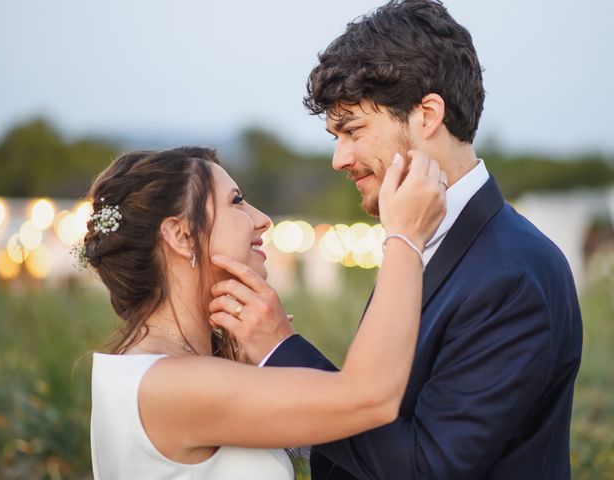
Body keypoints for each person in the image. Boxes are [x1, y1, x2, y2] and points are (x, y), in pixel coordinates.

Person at [214, 1, 583, 479]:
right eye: (334, 138)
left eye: (352, 130)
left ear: (427, 114)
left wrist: (280, 349)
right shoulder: (417, 239)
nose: (339, 159)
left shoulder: (512, 275)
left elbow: (424, 466)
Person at [85, 146, 447, 479]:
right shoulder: (172, 383)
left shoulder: (154, 371)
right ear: (180, 236)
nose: (262, 220)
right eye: (237, 202)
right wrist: (405, 238)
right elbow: (370, 397)